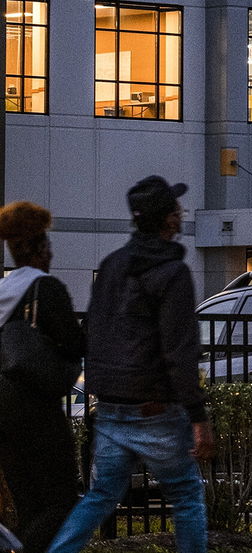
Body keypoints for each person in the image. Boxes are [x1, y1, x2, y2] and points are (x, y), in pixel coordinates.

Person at [46, 177, 213, 553]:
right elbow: (179, 351)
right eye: (177, 209)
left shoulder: (111, 266)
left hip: (110, 407)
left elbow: (94, 331)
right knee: (186, 496)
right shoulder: (174, 274)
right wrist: (199, 418)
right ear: (168, 220)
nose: (181, 214)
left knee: (100, 496)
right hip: (156, 409)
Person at [0, 202, 85, 553]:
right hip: (37, 410)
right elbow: (76, 343)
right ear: (38, 249)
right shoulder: (45, 289)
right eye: (48, 247)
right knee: (62, 502)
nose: (51, 254)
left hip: (3, 412)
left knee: (30, 503)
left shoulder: (3, 291)